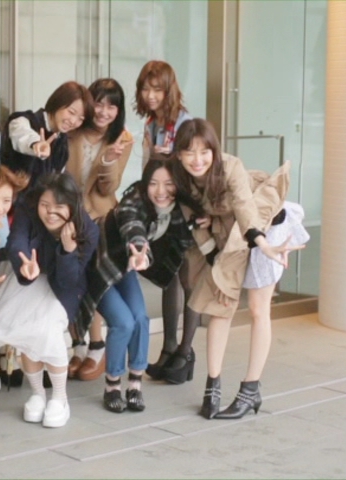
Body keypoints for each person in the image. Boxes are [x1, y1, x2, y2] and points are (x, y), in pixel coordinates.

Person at [171, 118, 306, 419]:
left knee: (258, 309)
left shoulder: (230, 166)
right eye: (189, 152)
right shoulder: (181, 181)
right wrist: (215, 266)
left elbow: (246, 209)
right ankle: (212, 387)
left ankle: (251, 389)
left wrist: (264, 245)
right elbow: (196, 226)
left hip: (266, 226)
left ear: (214, 150)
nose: (197, 159)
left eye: (204, 151)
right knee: (220, 304)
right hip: (227, 233)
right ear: (179, 154)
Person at [79, 159, 198, 413]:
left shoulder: (178, 209)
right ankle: (112, 385)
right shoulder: (134, 200)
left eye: (168, 183)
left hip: (126, 267)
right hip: (99, 266)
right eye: (153, 183)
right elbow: (132, 225)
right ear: (145, 184)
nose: (160, 191)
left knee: (141, 319)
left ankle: (134, 384)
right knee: (123, 322)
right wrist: (140, 250)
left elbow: (187, 234)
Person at [0, 173, 98, 428]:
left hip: (64, 289)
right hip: (30, 276)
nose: (50, 213)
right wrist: (24, 264)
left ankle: (60, 398)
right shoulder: (28, 207)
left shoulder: (87, 230)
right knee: (21, 326)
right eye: (45, 205)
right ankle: (37, 394)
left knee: (45, 331)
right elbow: (16, 241)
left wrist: (67, 250)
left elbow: (69, 281)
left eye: (59, 207)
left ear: (72, 206)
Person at [134, 60, 199, 382]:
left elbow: (195, 165)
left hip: (185, 208)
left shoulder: (184, 122)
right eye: (146, 89)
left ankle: (185, 352)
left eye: (157, 89)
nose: (151, 95)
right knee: (167, 275)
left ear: (168, 90)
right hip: (163, 206)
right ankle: (169, 347)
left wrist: (168, 157)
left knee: (188, 279)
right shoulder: (151, 123)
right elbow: (149, 167)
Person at [65, 78, 134, 382]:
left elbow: (108, 187)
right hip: (69, 215)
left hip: (100, 218)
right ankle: (78, 346)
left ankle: (96, 346)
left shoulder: (122, 139)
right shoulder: (73, 130)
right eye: (99, 103)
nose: (104, 111)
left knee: (92, 281)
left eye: (112, 106)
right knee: (70, 280)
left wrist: (107, 161)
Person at [2, 81, 94, 194]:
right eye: (71, 112)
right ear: (58, 102)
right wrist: (36, 144)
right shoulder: (23, 121)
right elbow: (22, 136)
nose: (73, 121)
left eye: (81, 119)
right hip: (11, 200)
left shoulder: (62, 141)